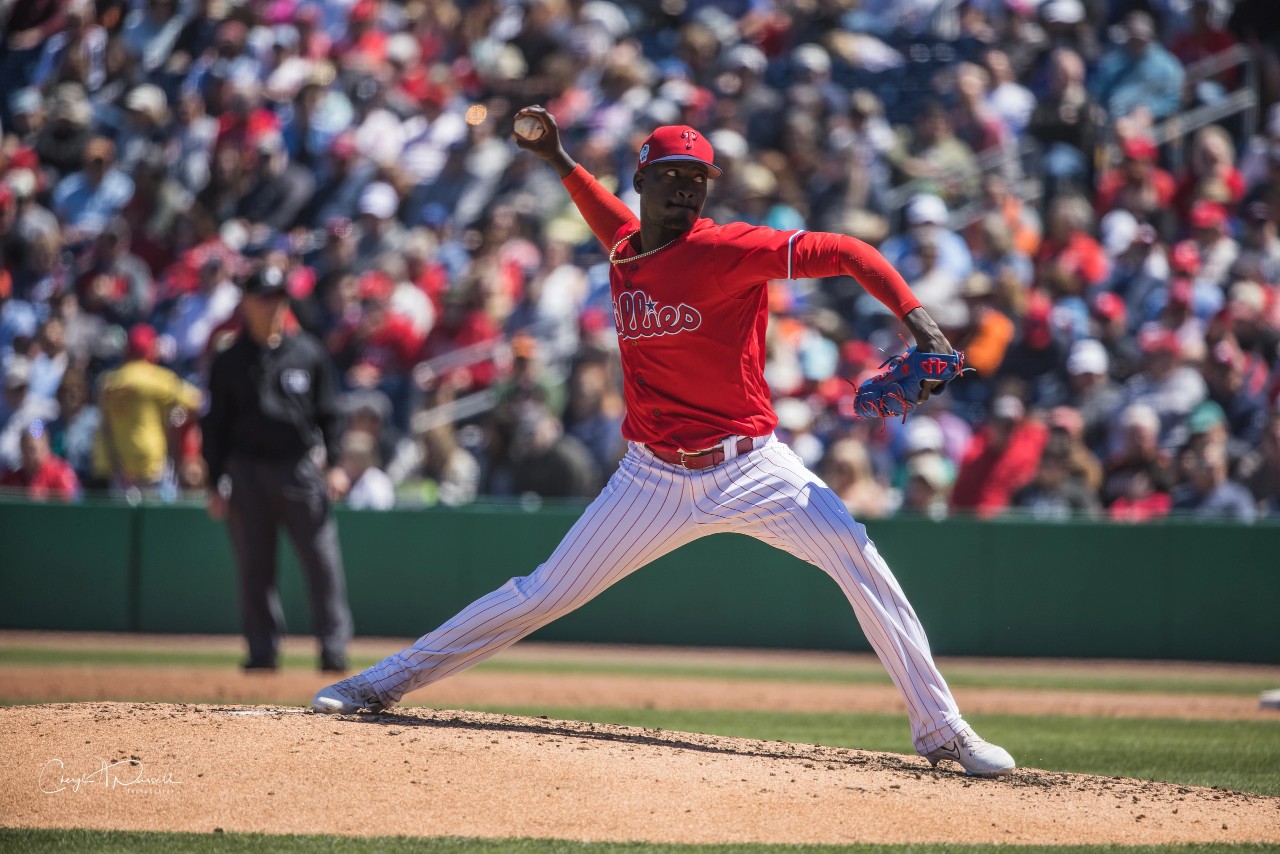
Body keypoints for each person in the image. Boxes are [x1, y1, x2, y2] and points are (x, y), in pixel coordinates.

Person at [312, 108, 1017, 778]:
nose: (685, 192)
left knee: (858, 556)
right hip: (651, 478)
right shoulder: (626, 246)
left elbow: (848, 251)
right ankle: (384, 682)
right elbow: (606, 217)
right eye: (672, 178)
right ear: (642, 183)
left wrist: (920, 324)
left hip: (751, 465)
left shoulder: (724, 249)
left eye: (697, 181)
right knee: (542, 592)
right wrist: (557, 158)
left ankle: (943, 729)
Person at [201, 264, 354, 673]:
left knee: (322, 563)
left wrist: (336, 464)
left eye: (277, 297)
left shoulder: (308, 352)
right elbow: (213, 425)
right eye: (263, 297)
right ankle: (262, 651)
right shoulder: (230, 359)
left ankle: (333, 648)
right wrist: (216, 481)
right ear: (246, 302)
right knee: (255, 568)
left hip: (299, 468)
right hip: (246, 471)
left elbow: (331, 414)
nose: (271, 305)